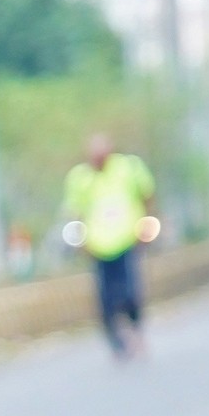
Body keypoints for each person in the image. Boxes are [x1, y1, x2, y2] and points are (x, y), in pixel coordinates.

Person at [63, 134, 157, 358]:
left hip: (126, 241)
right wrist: (80, 242)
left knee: (130, 292)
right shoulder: (80, 178)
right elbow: (75, 213)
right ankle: (116, 342)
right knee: (106, 298)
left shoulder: (128, 168)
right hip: (98, 247)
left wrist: (147, 227)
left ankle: (136, 330)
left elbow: (147, 195)